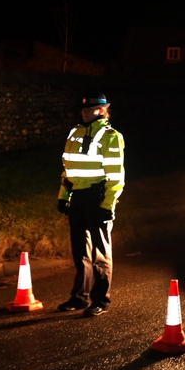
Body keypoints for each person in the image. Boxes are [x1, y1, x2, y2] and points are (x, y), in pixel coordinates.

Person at [56, 91, 126, 317]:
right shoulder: (75, 132)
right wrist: (63, 196)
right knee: (80, 251)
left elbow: (115, 175)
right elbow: (68, 169)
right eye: (83, 109)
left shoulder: (111, 136)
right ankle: (79, 297)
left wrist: (108, 204)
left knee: (100, 253)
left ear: (102, 111)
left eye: (90, 109)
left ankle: (101, 300)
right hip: (77, 197)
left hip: (97, 197)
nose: (85, 112)